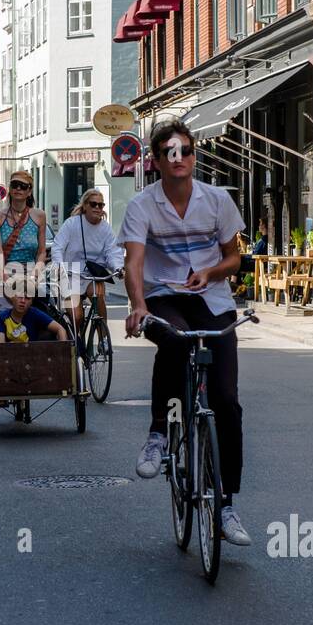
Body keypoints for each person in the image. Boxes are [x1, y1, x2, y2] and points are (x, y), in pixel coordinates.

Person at [120, 119, 250, 546]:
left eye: (187, 150)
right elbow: (135, 262)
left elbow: (234, 257)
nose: (180, 158)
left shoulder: (216, 201)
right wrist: (138, 305)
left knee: (227, 401)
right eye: (171, 152)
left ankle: (226, 504)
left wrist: (211, 271)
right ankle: (159, 433)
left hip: (212, 299)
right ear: (157, 160)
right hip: (162, 297)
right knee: (174, 341)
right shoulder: (142, 205)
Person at [52, 188, 124, 331]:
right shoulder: (71, 224)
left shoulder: (106, 228)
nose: (97, 208)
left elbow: (112, 251)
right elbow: (58, 247)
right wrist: (60, 266)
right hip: (71, 274)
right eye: (93, 204)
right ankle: (76, 342)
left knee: (99, 297)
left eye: (100, 205)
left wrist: (118, 268)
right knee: (76, 316)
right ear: (85, 205)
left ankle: (103, 339)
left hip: (93, 275)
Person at [0, 170, 48, 303]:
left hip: (31, 271)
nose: (18, 188)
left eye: (23, 186)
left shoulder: (39, 216)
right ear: (10, 189)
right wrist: (4, 278)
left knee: (45, 303)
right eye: (14, 184)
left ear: (29, 191)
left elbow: (41, 252)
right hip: (7, 270)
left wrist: (34, 275)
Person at [0, 290, 68, 344]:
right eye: (19, 297)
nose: (23, 301)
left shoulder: (35, 313)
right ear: (12, 298)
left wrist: (63, 352)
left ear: (31, 302)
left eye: (27, 298)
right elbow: (0, 347)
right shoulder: (0, 318)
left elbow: (60, 329)